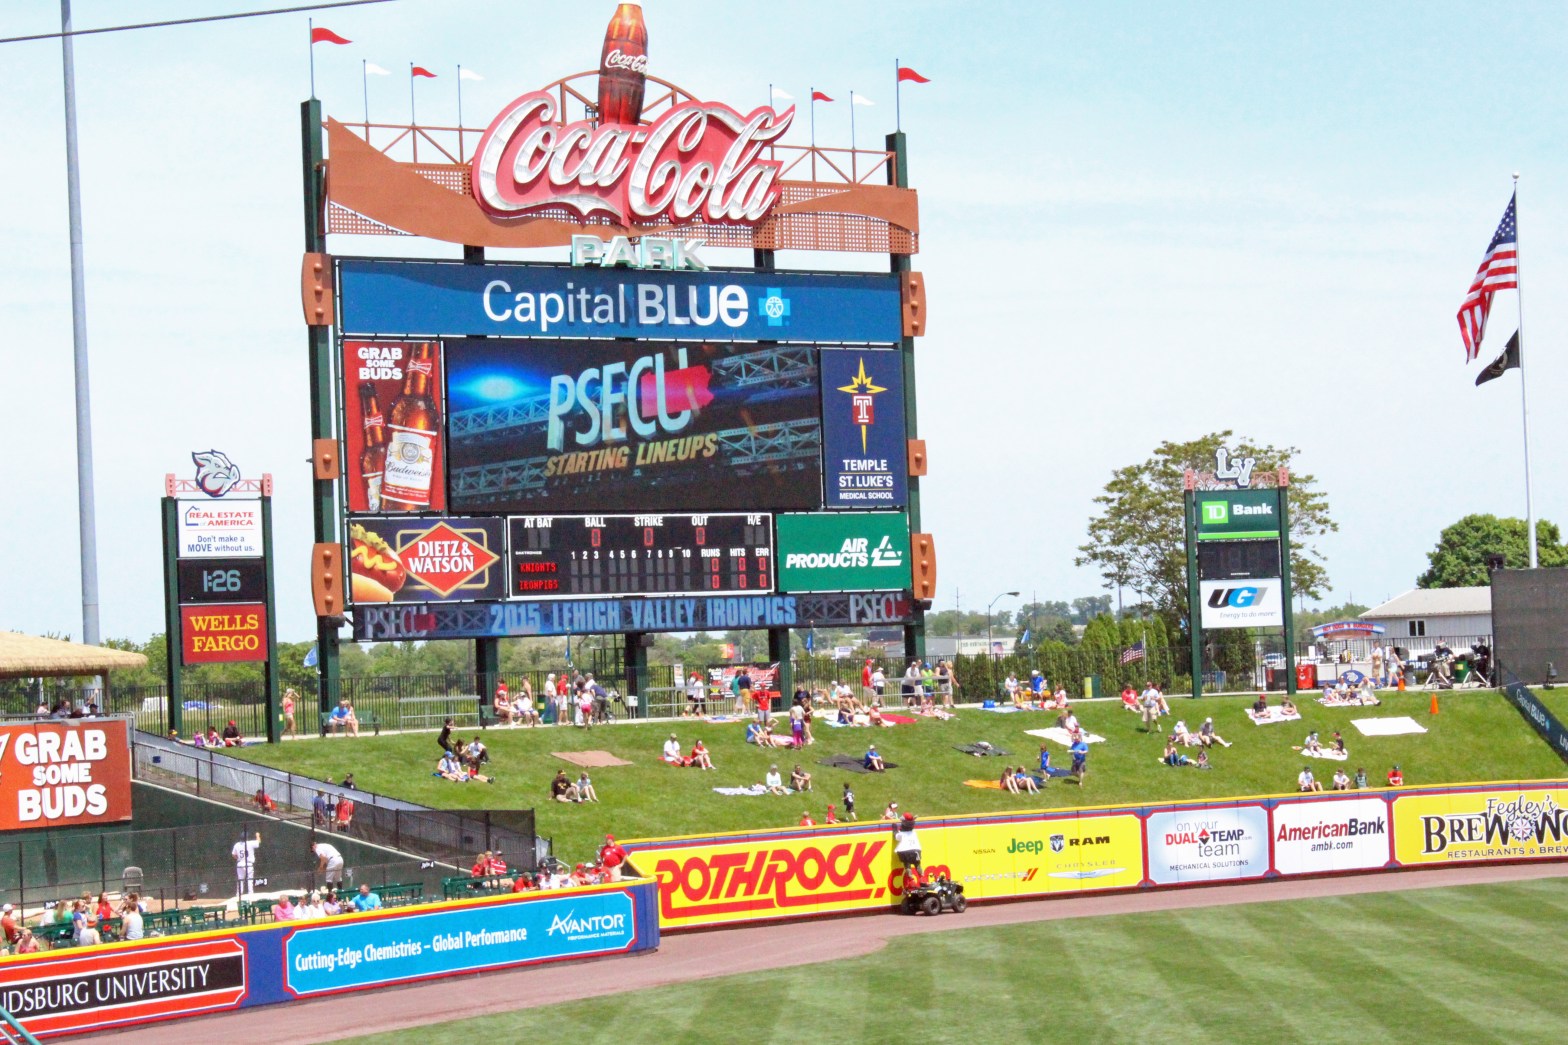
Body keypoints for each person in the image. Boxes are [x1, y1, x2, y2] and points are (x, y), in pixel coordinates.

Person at [893, 812, 923, 878]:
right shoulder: (914, 832)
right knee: (917, 864)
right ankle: (922, 878)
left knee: (907, 864)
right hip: (916, 849)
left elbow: (896, 837)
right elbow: (909, 824)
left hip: (904, 850)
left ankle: (910, 877)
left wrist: (894, 827)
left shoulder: (901, 834)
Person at [232, 831, 260, 896]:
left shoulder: (237, 844)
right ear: (247, 837)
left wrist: (239, 859)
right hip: (248, 864)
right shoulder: (250, 843)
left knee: (240, 879)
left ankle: (239, 894)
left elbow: (233, 855)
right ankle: (250, 894)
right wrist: (257, 835)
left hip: (240, 863)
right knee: (250, 879)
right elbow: (258, 842)